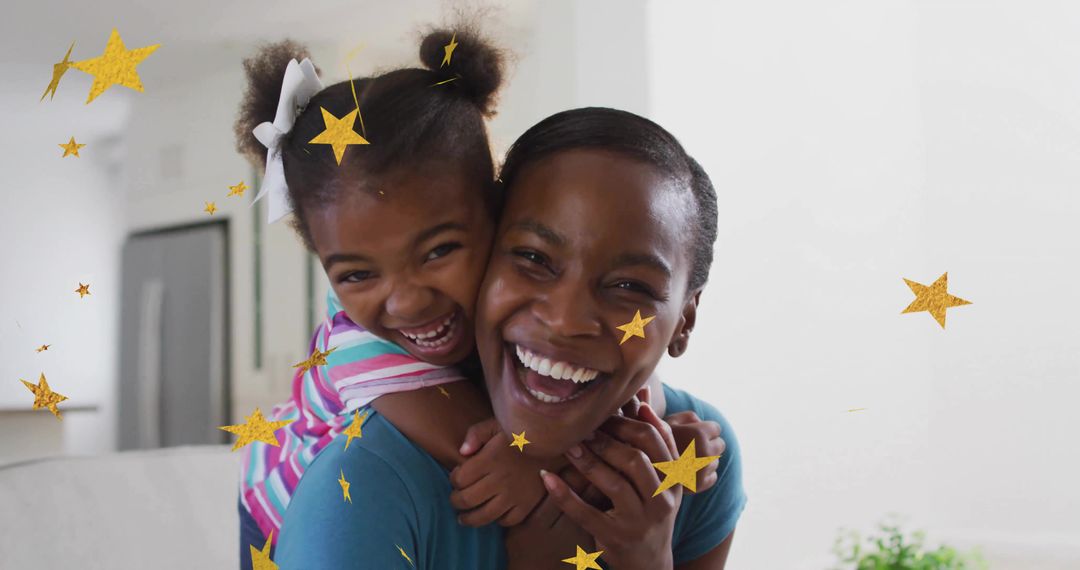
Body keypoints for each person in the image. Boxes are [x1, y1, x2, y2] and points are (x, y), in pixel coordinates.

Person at [232, 27, 727, 568]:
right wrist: (545, 468)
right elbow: (484, 452)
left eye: (439, 251)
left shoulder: (699, 437)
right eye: (356, 274)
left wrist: (653, 433)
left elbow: (618, 385)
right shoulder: (364, 385)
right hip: (269, 507)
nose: (406, 302)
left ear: (493, 215)